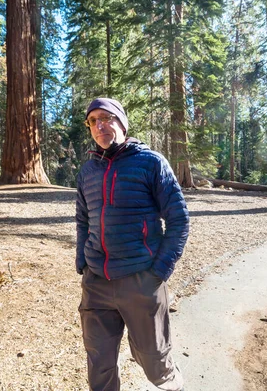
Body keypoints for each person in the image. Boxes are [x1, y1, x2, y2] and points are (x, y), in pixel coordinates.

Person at [75, 97, 189, 391]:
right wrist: (82, 261)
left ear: (122, 122)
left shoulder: (151, 163)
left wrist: (159, 271)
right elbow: (83, 219)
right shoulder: (88, 171)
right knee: (99, 365)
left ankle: (172, 382)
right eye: (93, 121)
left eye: (107, 118)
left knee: (154, 363)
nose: (100, 125)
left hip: (141, 280)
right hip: (96, 283)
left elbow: (178, 220)